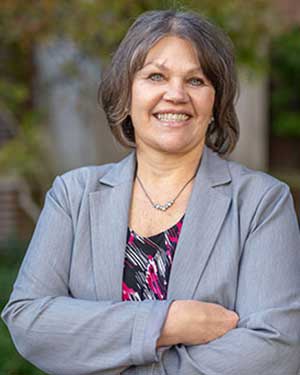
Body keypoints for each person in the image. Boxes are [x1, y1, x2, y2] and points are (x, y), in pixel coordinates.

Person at [2, 9, 300, 375]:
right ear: (126, 95)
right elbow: (28, 320)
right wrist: (167, 322)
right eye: (156, 76)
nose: (175, 94)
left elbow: (277, 350)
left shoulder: (262, 203)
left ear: (215, 103)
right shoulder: (73, 195)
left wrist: (113, 356)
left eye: (196, 80)